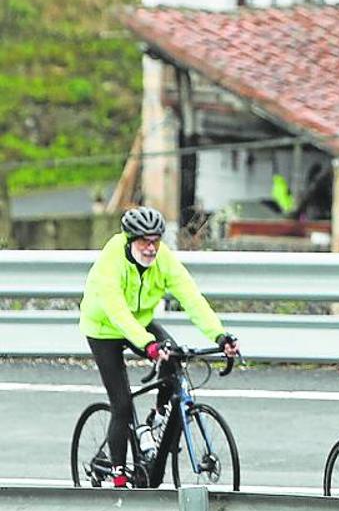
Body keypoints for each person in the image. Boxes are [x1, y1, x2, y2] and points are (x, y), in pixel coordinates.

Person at [78, 206, 239, 487]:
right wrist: (148, 345)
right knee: (122, 404)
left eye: (156, 241)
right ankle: (117, 474)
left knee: (173, 358)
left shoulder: (163, 259)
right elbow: (117, 312)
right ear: (130, 240)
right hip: (104, 327)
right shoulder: (111, 259)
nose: (151, 248)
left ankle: (156, 420)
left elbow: (192, 298)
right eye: (144, 241)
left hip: (140, 321)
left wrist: (220, 336)